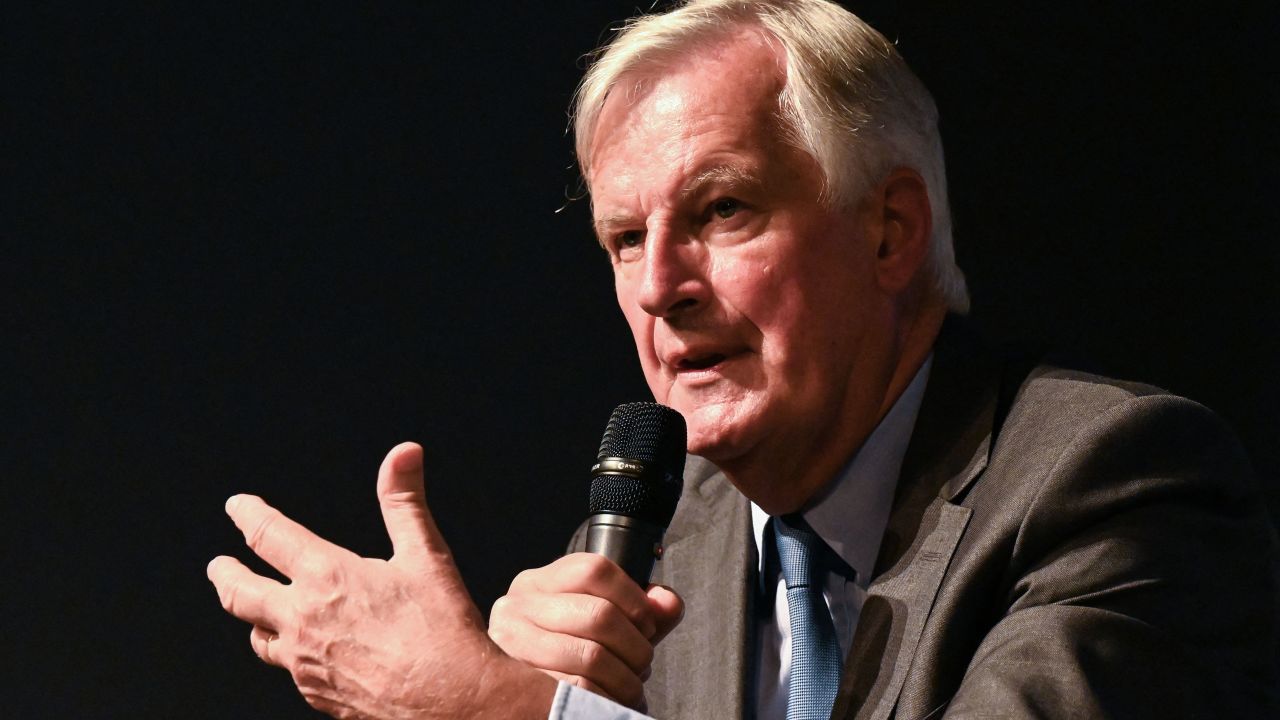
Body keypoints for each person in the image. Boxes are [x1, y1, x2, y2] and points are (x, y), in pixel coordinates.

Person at [208, 1, 1280, 718]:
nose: (654, 285)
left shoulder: (1116, 481)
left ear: (888, 231)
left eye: (720, 211)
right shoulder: (654, 547)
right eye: (624, 239)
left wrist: (515, 715)